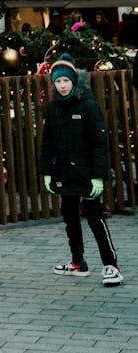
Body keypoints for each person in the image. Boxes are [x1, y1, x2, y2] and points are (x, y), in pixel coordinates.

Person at [39, 54, 122, 286]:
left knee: (95, 218)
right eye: (58, 82)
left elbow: (99, 144)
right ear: (53, 83)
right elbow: (47, 142)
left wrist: (98, 176)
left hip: (86, 174)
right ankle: (78, 262)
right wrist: (46, 171)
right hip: (64, 173)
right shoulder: (54, 108)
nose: (62, 86)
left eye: (66, 81)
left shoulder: (87, 105)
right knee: (70, 218)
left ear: (74, 81)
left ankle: (111, 265)